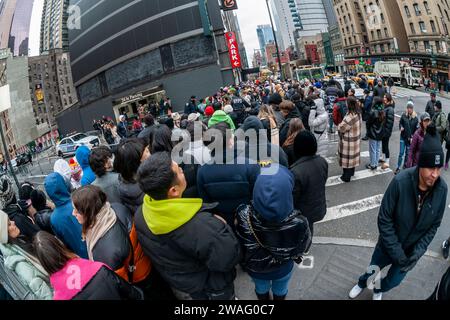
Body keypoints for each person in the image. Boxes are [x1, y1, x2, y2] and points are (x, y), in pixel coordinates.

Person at [349, 131, 448, 300]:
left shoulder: (442, 189)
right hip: (387, 246)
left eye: (438, 168)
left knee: (394, 281)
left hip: (410, 253)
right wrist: (396, 253)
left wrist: (417, 253)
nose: (435, 174)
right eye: (431, 168)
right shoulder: (400, 182)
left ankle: (378, 290)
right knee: (373, 270)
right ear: (420, 165)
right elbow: (384, 219)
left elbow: (434, 226)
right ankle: (362, 283)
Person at [135, 152, 241, 300]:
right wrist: (223, 227)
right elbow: (228, 257)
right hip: (212, 285)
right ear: (173, 191)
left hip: (185, 282)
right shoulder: (202, 226)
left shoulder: (141, 213)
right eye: (179, 170)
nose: (182, 170)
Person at [236, 166, 311, 301]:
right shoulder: (299, 222)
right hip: (283, 268)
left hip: (255, 268)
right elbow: (303, 248)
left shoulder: (243, 214)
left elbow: (241, 242)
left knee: (260, 288)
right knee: (281, 289)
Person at [71, 186, 151, 286]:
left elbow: (121, 283)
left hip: (138, 276)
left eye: (77, 210)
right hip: (144, 261)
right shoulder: (115, 207)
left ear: (89, 212)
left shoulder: (106, 250)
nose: (73, 213)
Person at [33, 231, 143, 300]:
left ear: (44, 263)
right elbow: (133, 294)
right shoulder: (98, 268)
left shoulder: (58, 297)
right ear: (60, 246)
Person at [197, 122, 260, 226]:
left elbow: (206, 204)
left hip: (220, 226)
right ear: (230, 141)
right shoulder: (251, 166)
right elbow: (257, 198)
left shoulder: (202, 171)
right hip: (249, 223)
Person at [290, 130, 328, 239]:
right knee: (309, 227)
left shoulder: (296, 171)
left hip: (302, 212)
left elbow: (293, 198)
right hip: (318, 206)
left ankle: (303, 246)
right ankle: (307, 243)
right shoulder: (322, 162)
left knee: (301, 232)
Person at [44, 172, 88, 259]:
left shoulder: (53, 219)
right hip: (97, 247)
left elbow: (64, 243)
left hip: (81, 258)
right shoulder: (78, 200)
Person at [114, 138, 150, 214]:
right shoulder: (147, 189)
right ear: (138, 159)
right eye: (146, 151)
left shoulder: (124, 179)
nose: (149, 153)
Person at [338, 96, 362, 183]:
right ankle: (351, 173)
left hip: (348, 141)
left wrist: (339, 125)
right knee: (352, 158)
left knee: (347, 159)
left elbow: (341, 128)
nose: (345, 104)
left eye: (346, 102)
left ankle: (346, 177)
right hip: (355, 139)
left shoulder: (350, 117)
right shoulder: (358, 113)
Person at [395, 101, 418, 175]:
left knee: (407, 154)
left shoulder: (415, 118)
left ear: (412, 109)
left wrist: (412, 138)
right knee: (401, 153)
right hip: (403, 137)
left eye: (410, 108)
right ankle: (398, 167)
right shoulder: (404, 115)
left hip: (410, 140)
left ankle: (405, 167)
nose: (409, 109)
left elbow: (416, 130)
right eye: (408, 107)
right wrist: (401, 127)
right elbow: (400, 123)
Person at [366, 97, 385, 170]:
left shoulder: (373, 112)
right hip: (380, 133)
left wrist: (368, 131)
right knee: (377, 149)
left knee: (373, 150)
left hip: (373, 133)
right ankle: (376, 163)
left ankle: (372, 164)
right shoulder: (383, 111)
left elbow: (368, 123)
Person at [379, 93, 395, 170]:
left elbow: (389, 123)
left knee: (386, 145)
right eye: (384, 97)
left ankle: (387, 161)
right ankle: (383, 157)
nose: (383, 98)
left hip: (386, 131)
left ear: (388, 98)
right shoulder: (385, 106)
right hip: (383, 130)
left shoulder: (390, 109)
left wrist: (386, 132)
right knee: (383, 144)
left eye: (385, 97)